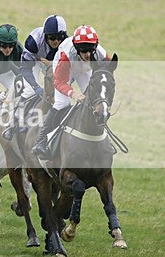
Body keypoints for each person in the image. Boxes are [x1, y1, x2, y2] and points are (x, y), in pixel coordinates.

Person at [31, 25, 110, 159]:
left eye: (91, 50)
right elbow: (59, 82)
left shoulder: (101, 53)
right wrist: (74, 94)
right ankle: (41, 141)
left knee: (96, 101)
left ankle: (105, 140)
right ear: (77, 49)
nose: (88, 54)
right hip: (67, 69)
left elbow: (106, 71)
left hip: (85, 69)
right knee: (62, 103)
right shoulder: (65, 57)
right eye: (84, 51)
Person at [21, 14, 68, 97]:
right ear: (45, 35)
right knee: (30, 91)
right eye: (52, 37)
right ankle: (21, 103)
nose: (56, 41)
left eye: (59, 37)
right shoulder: (33, 41)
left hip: (54, 63)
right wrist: (35, 87)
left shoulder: (67, 43)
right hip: (35, 60)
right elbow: (25, 68)